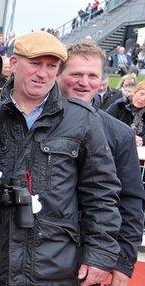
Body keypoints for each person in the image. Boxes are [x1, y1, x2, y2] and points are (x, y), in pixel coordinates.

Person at [0, 31, 122, 286]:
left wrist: (100, 255)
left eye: (52, 66)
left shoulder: (82, 119)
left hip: (53, 270)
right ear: (14, 64)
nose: (43, 74)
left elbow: (101, 193)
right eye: (35, 63)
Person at [57, 42, 145, 286]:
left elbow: (130, 201)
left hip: (90, 255)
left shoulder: (118, 133)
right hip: (43, 252)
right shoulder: (38, 122)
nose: (84, 82)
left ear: (102, 80)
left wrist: (123, 261)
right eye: (76, 74)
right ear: (58, 75)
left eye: (92, 75)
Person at [107, 80, 145, 146]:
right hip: (118, 147)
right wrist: (129, 139)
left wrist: (142, 140)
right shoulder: (118, 106)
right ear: (135, 92)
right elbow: (106, 128)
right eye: (141, 94)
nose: (143, 99)